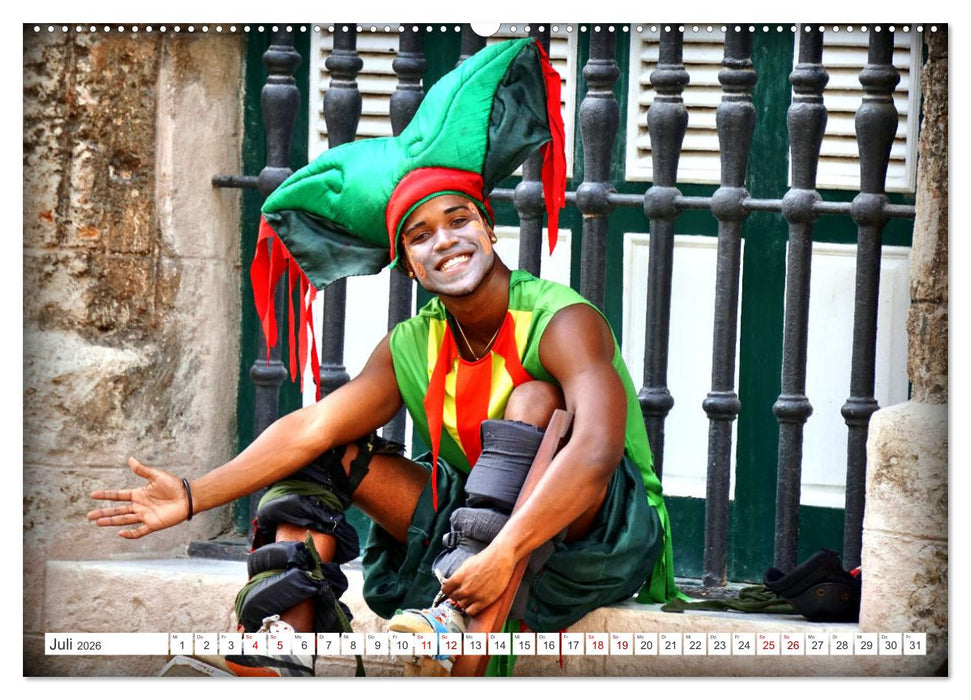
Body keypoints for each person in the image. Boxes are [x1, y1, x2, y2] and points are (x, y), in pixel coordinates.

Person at [87, 37, 677, 676]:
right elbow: (309, 427)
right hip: (471, 534)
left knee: (535, 397)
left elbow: (594, 455)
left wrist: (503, 552)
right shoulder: (412, 344)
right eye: (420, 236)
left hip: (597, 537)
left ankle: (452, 635)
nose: (444, 242)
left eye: (457, 221)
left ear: (487, 227)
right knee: (321, 454)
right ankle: (281, 647)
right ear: (408, 264)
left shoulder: (562, 320)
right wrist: (192, 495)